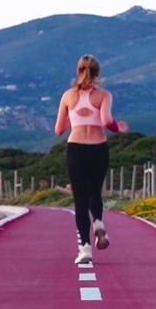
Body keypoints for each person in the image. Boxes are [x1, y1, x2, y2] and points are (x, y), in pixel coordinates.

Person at [54, 54, 128, 264]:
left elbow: (59, 130)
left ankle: (85, 249)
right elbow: (106, 120)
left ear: (78, 71)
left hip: (76, 148)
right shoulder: (104, 95)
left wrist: (73, 116)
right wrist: (119, 129)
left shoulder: (68, 96)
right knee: (95, 191)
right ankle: (99, 223)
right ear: (98, 73)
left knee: (80, 198)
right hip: (98, 147)